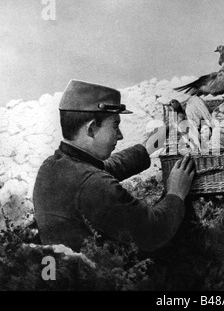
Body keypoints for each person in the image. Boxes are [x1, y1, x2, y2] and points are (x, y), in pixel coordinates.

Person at [33, 79, 195, 252]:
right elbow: (154, 231)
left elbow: (106, 168)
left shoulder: (51, 166)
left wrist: (147, 147)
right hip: (94, 276)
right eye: (115, 126)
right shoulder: (93, 184)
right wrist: (176, 192)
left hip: (62, 272)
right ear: (91, 129)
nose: (120, 135)